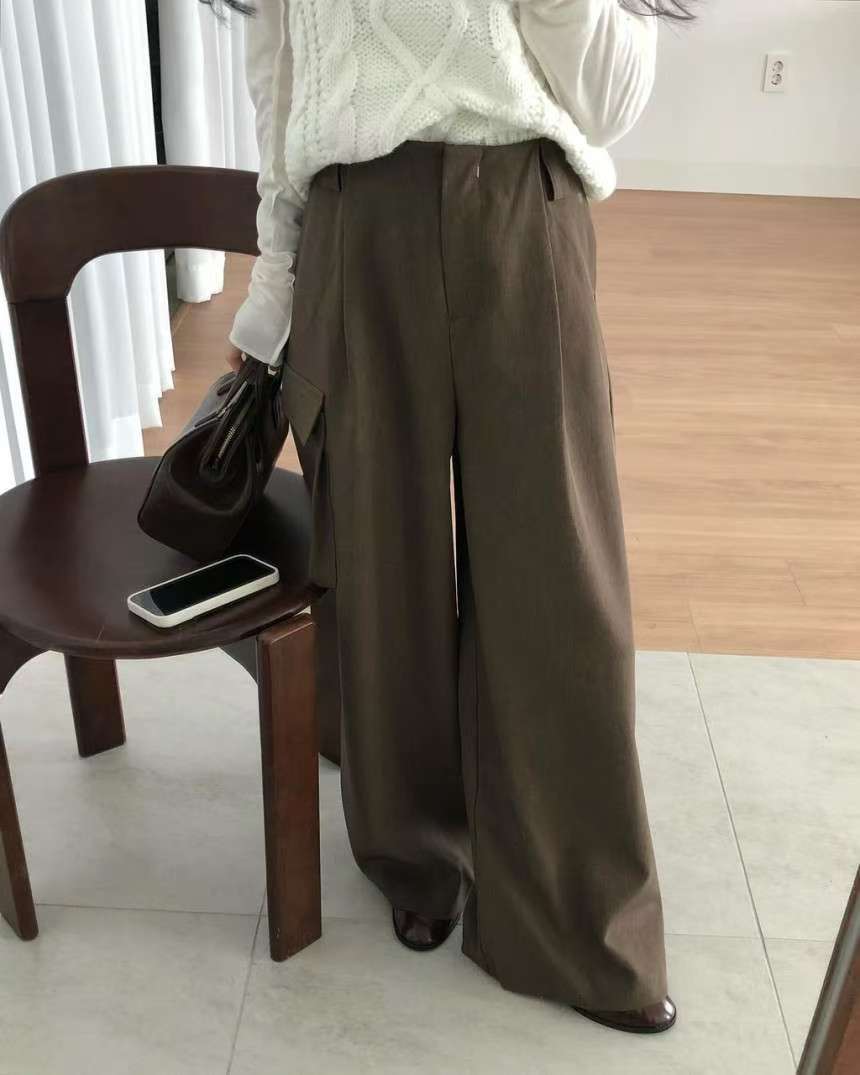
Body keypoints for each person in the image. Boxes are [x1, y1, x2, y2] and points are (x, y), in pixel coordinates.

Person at [208, 0, 698, 1035]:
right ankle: (413, 854)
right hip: (354, 226)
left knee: (560, 579)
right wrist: (271, 298)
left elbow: (607, 103)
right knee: (379, 567)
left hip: (524, 208)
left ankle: (578, 915)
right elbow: (280, 98)